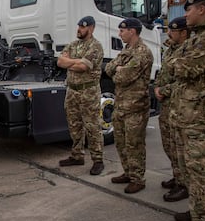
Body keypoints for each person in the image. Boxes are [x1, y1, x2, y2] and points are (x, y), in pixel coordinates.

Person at [169, 0, 205, 221]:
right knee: (188, 168)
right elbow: (174, 63)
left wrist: (178, 61)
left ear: (201, 10)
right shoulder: (197, 37)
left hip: (198, 115)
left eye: (189, 10)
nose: (185, 14)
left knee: (197, 171)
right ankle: (199, 210)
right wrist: (178, 60)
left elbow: (186, 68)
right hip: (185, 113)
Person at [105, 18, 153, 194]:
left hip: (136, 107)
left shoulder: (142, 52)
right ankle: (128, 172)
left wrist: (118, 70)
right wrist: (118, 68)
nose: (119, 34)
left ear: (132, 31)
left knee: (134, 144)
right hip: (121, 105)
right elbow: (108, 68)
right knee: (121, 142)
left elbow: (122, 77)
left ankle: (138, 179)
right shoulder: (126, 51)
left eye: (122, 31)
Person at [57, 16, 104, 175]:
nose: (79, 29)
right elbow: (60, 62)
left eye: (82, 27)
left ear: (91, 28)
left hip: (88, 92)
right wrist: (74, 62)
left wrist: (70, 62)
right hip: (72, 91)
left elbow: (83, 66)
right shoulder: (73, 44)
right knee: (74, 125)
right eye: (78, 26)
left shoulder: (95, 46)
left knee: (92, 126)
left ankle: (98, 160)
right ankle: (77, 155)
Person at [154, 17, 190, 202]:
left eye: (173, 31)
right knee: (169, 145)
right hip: (167, 105)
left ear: (184, 33)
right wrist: (157, 88)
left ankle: (184, 185)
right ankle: (177, 177)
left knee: (180, 148)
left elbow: (184, 81)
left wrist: (164, 90)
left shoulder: (188, 51)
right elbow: (163, 73)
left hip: (180, 105)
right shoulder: (171, 50)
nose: (168, 33)